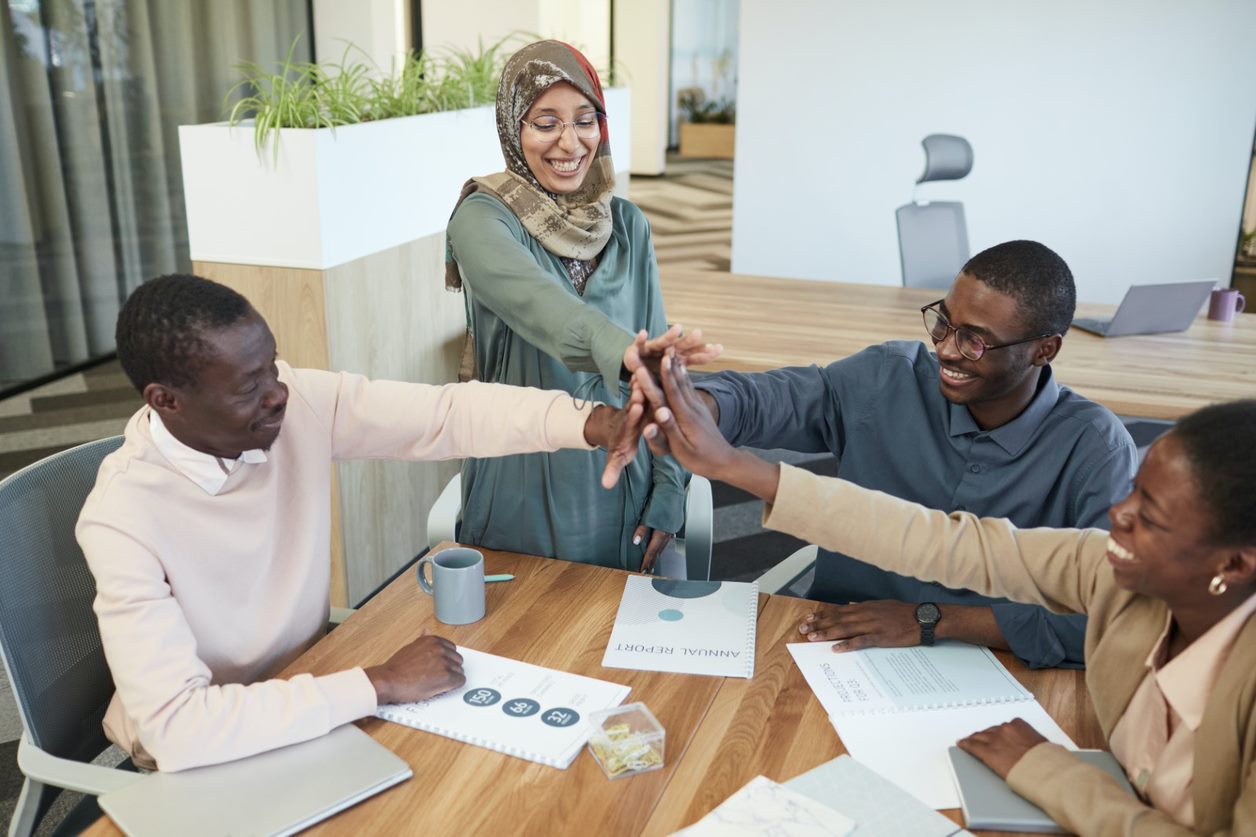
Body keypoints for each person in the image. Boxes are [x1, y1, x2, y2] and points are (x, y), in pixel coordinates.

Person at [637, 356, 1256, 835]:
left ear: (1234, 562)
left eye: (1150, 516)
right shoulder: (1111, 571)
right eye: (1133, 494)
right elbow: (936, 542)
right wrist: (737, 467)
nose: (1116, 516)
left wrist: (1051, 775)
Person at [76, 274, 650, 772]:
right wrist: (380, 683)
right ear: (166, 400)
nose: (278, 395)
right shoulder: (122, 518)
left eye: (272, 366)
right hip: (208, 752)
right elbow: (177, 729)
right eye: (250, 387)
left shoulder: (292, 401)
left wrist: (594, 422)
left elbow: (444, 415)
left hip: (311, 683)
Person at [690, 240, 1138, 668]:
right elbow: (769, 398)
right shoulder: (889, 378)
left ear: (1045, 349)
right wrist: (698, 408)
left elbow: (1111, 620)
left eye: (974, 341)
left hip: (1003, 668)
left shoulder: (1096, 449)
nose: (945, 349)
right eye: (943, 323)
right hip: (834, 644)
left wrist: (934, 620)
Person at [445, 39, 718, 573]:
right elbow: (543, 308)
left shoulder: (627, 225)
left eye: (585, 120)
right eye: (545, 122)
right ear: (511, 127)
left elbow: (661, 365)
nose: (570, 143)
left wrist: (669, 489)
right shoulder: (482, 219)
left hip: (626, 485)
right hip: (520, 489)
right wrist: (624, 352)